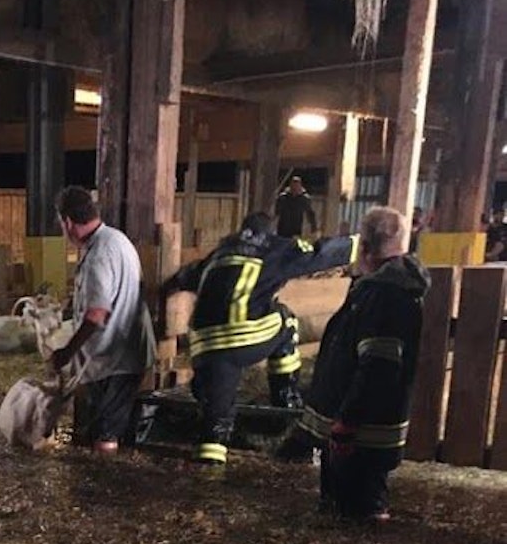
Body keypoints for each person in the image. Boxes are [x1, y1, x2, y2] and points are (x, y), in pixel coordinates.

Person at [161, 211, 358, 466]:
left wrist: (166, 288)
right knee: (286, 318)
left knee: (215, 419)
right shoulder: (275, 248)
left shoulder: (220, 252)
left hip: (203, 346)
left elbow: (185, 276)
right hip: (241, 338)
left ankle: (208, 465)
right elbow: (318, 253)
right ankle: (285, 397)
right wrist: (357, 244)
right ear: (271, 231)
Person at [298, 205, 430, 523]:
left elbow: (378, 366)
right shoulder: (384, 289)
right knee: (340, 506)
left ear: (365, 248)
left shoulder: (384, 296)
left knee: (360, 510)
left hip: (361, 433)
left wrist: (347, 421)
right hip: (357, 427)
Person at [48, 185, 157, 455]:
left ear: (68, 222)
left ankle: (104, 483)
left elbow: (97, 314)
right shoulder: (116, 239)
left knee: (105, 430)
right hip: (122, 353)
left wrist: (66, 353)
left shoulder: (98, 255)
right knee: (107, 424)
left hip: (113, 360)